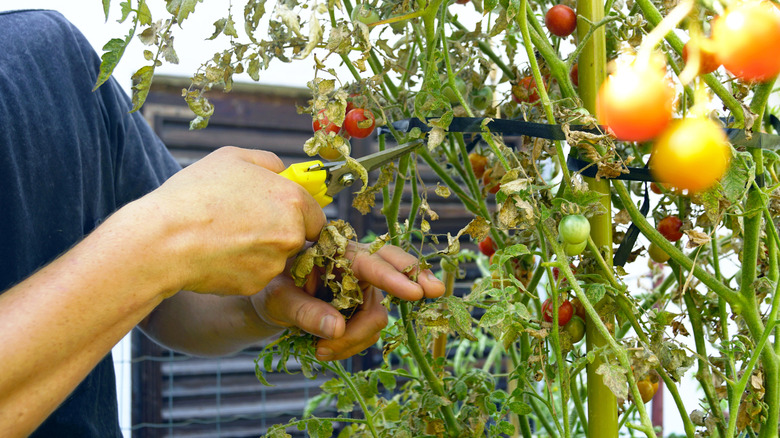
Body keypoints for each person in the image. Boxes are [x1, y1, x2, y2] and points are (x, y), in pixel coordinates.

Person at [0, 9, 445, 438]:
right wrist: (166, 242)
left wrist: (260, 298)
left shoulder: (53, 59)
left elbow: (164, 298)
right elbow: (158, 257)